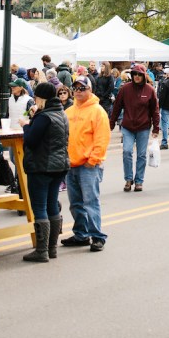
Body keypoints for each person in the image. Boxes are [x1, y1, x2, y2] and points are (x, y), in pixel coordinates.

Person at [19, 82, 69, 262]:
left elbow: (31, 140)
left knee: (39, 207)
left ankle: (41, 251)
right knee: (51, 205)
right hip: (59, 166)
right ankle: (52, 248)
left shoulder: (44, 116)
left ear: (41, 98)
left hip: (42, 166)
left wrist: (26, 125)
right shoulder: (61, 113)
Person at [62, 76, 110, 251]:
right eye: (76, 88)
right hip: (71, 164)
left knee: (90, 202)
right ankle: (81, 234)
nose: (78, 91)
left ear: (90, 90)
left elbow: (102, 138)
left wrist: (93, 160)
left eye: (82, 88)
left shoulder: (97, 111)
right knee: (75, 203)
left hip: (89, 165)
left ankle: (97, 236)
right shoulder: (69, 111)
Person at [110, 66, 160, 192]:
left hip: (143, 127)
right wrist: (111, 122)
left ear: (144, 75)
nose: (137, 76)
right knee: (127, 151)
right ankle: (128, 179)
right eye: (134, 74)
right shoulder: (125, 89)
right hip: (127, 126)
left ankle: (139, 181)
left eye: (139, 74)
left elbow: (155, 110)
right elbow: (117, 107)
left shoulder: (149, 90)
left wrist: (156, 128)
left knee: (141, 155)